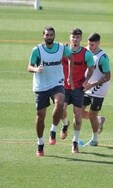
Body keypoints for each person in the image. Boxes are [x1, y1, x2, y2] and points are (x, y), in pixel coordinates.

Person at [28, 26, 74, 157]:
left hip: (57, 83)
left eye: (51, 35)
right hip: (41, 85)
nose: (49, 37)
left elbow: (70, 57)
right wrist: (36, 70)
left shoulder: (61, 48)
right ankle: (40, 143)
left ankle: (53, 130)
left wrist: (70, 75)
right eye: (47, 35)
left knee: (60, 103)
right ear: (43, 36)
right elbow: (29, 66)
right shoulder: (37, 50)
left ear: (54, 36)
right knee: (40, 116)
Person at [60, 28, 95, 153]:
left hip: (78, 88)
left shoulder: (86, 53)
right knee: (60, 110)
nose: (75, 39)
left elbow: (91, 68)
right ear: (70, 37)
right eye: (73, 37)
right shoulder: (63, 50)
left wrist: (86, 81)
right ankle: (65, 124)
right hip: (63, 87)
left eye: (78, 37)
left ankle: (75, 142)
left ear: (81, 39)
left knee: (77, 115)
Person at [82, 32, 110, 146]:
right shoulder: (86, 51)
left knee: (92, 115)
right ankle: (99, 120)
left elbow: (107, 76)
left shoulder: (103, 57)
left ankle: (94, 139)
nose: (90, 47)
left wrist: (92, 84)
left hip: (99, 89)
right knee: (78, 112)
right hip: (86, 87)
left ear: (98, 43)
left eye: (92, 45)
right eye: (89, 44)